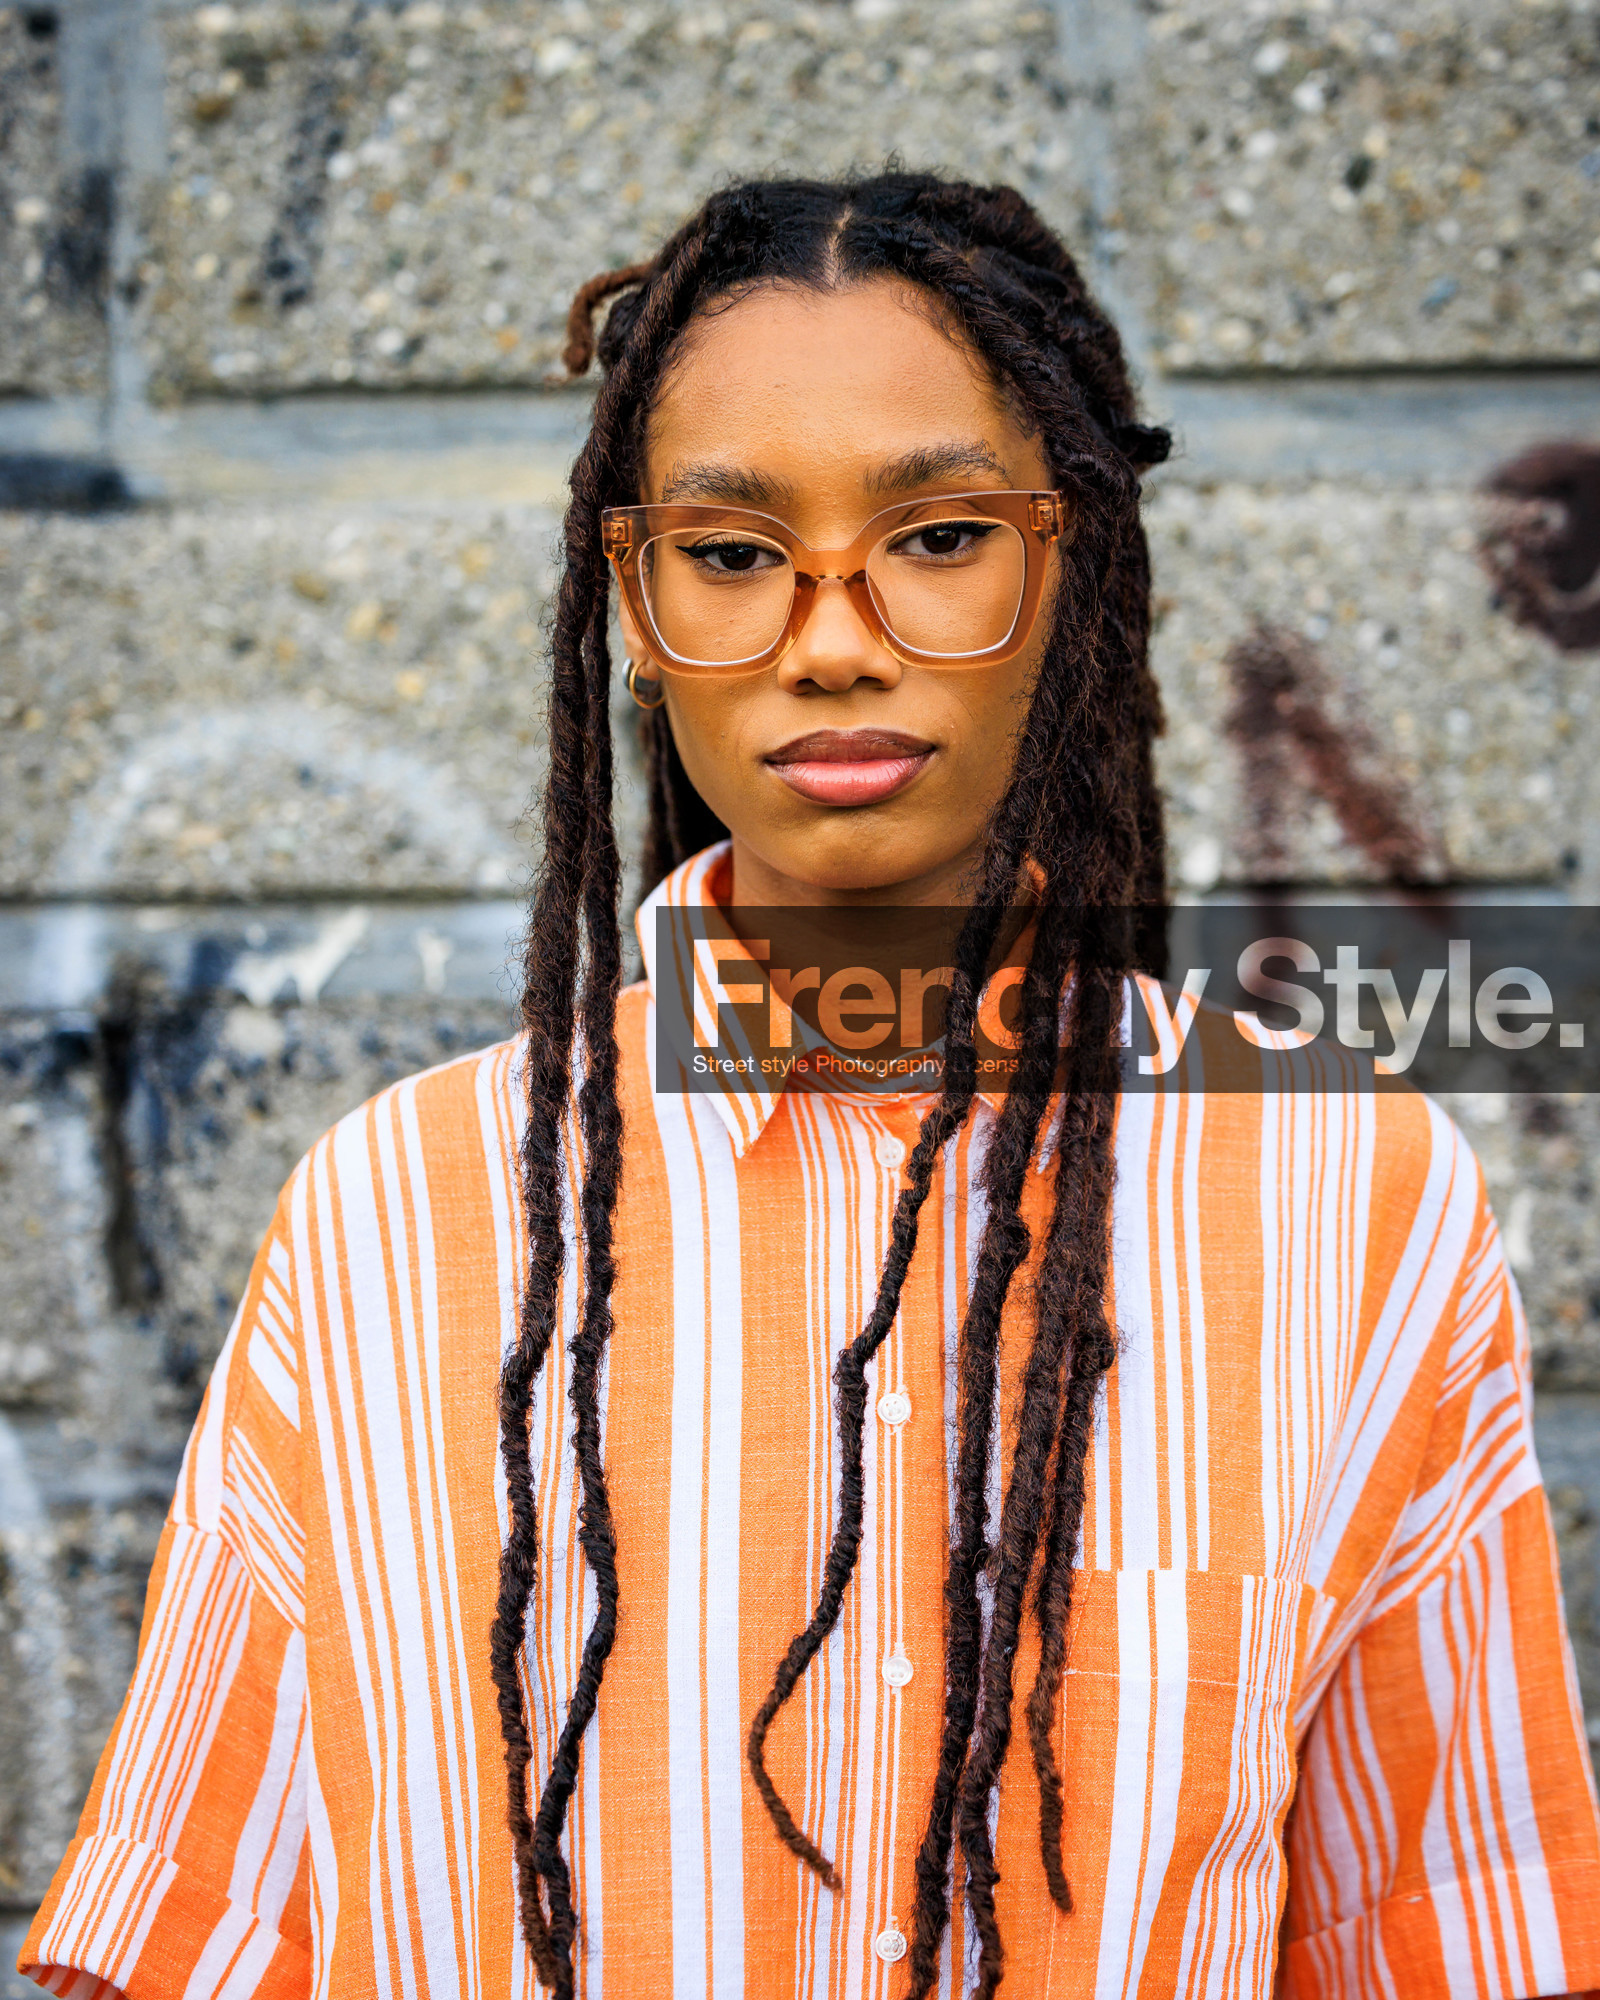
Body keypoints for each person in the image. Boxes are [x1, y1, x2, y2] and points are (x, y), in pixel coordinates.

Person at [20, 171, 1600, 2000]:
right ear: (632, 596)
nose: (831, 636)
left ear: (1066, 560)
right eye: (735, 552)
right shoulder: (391, 1223)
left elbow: (1453, 1936)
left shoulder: (1348, 1202)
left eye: (936, 537)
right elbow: (193, 1942)